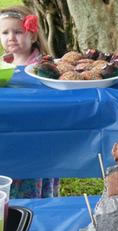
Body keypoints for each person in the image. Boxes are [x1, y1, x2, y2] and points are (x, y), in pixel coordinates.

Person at [0, 5, 59, 198]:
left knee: (32, 181)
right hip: (9, 134)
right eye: (5, 32)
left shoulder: (45, 68)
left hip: (36, 136)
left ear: (32, 35)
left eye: (17, 32)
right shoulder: (4, 65)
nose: (10, 38)